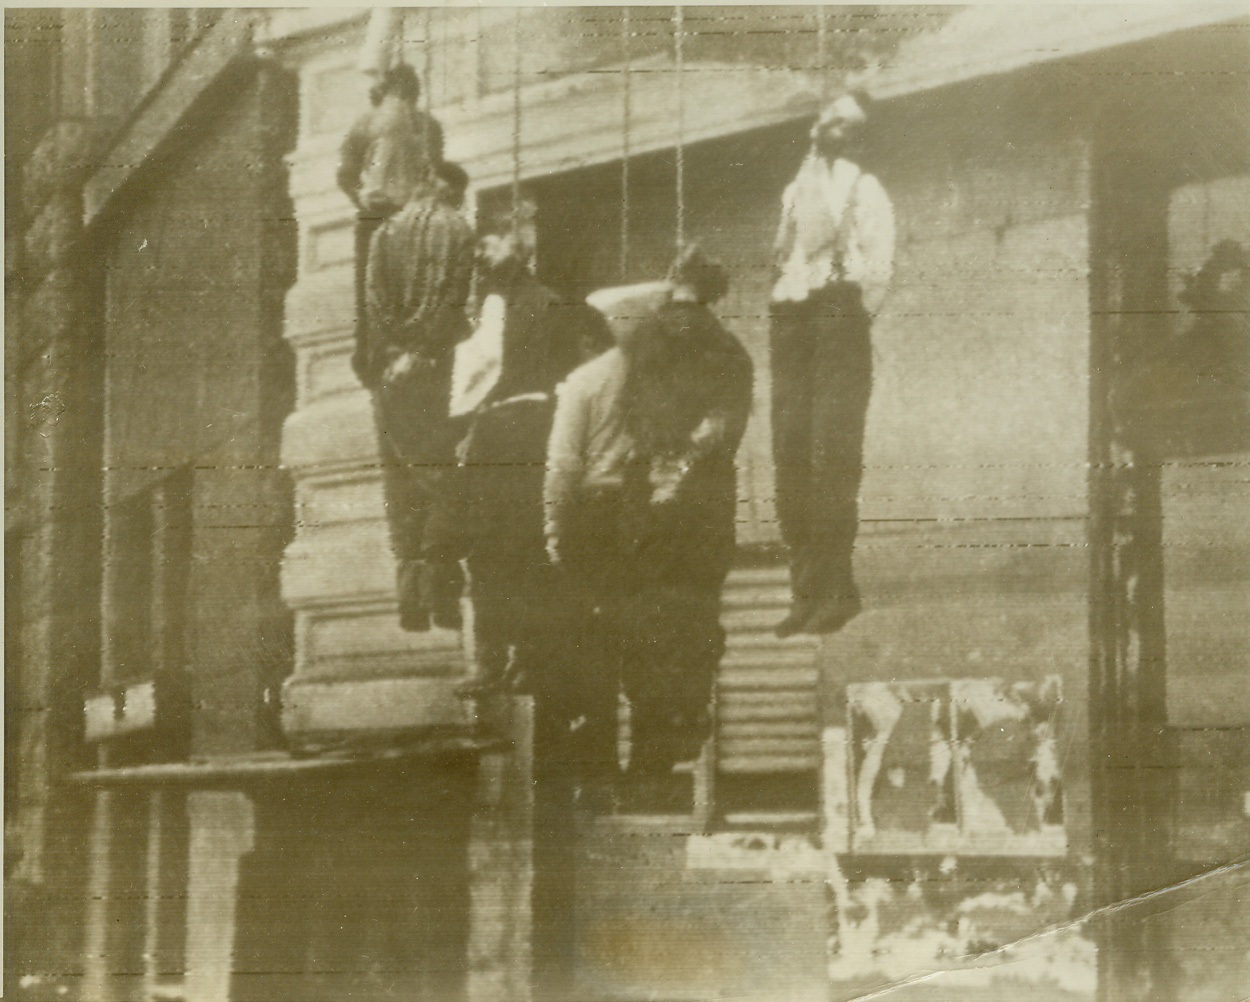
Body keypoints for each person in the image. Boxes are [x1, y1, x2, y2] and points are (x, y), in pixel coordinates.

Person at [545, 244, 753, 796]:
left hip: (669, 513)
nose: (681, 313)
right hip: (676, 515)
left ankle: (643, 766)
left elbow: (689, 428)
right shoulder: (695, 353)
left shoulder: (682, 351)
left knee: (658, 636)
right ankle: (655, 761)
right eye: (675, 303)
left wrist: (670, 470)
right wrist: (677, 467)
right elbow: (697, 427)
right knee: (668, 636)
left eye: (686, 299)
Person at [429, 200, 612, 697]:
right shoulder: (487, 307)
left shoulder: (542, 305)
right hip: (501, 432)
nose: (482, 255)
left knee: (515, 548)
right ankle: (502, 660)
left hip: (526, 429)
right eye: (479, 247)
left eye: (490, 243)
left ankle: (520, 659)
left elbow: (564, 372)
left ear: (518, 241)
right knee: (495, 550)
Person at [769, 91, 895, 637]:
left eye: (844, 124)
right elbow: (786, 258)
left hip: (837, 317)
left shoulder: (865, 189)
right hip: (791, 318)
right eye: (827, 118)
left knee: (831, 457)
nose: (829, 127)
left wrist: (844, 317)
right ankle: (805, 593)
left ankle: (838, 593)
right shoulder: (794, 191)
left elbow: (880, 270)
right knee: (789, 456)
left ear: (860, 136)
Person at [364, 160, 475, 631]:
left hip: (391, 373)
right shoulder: (458, 229)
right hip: (439, 367)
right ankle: (444, 599)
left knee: (400, 480)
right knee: (443, 478)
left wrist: (397, 352)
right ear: (452, 190)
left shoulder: (385, 233)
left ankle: (411, 601)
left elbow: (374, 302)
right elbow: (454, 302)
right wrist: (427, 349)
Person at [338, 63, 446, 388]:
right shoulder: (426, 126)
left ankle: (379, 359)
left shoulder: (367, 124)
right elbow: (436, 172)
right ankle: (402, 356)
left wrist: (362, 198)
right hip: (412, 219)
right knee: (412, 290)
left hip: (383, 217)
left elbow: (345, 176)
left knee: (375, 294)